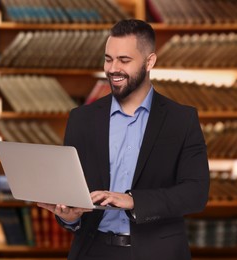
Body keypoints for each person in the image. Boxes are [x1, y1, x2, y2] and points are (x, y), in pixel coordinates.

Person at [38, 19, 209, 260]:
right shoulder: (81, 119)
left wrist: (133, 201)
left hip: (159, 253)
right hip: (92, 251)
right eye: (108, 59)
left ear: (150, 62)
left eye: (124, 60)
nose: (113, 68)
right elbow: (73, 190)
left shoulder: (181, 119)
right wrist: (69, 217)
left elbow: (196, 193)